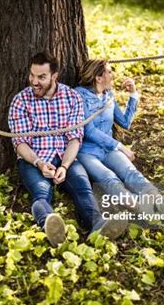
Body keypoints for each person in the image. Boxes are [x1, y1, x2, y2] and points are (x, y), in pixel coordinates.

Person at [8, 52, 128, 247]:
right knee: (41, 192)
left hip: (67, 156)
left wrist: (64, 166)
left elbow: (75, 138)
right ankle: (50, 223)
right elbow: (20, 143)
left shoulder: (71, 97)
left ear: (54, 76)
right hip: (34, 159)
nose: (34, 82)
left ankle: (97, 224)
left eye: (41, 77)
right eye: (32, 75)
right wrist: (38, 163)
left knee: (82, 185)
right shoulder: (20, 101)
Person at [74, 59, 162, 215]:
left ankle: (157, 201)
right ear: (98, 78)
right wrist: (120, 147)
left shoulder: (109, 96)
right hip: (87, 152)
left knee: (131, 172)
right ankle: (138, 208)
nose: (112, 75)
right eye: (109, 71)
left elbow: (125, 122)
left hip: (108, 149)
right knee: (109, 178)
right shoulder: (79, 96)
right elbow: (89, 131)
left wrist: (133, 94)